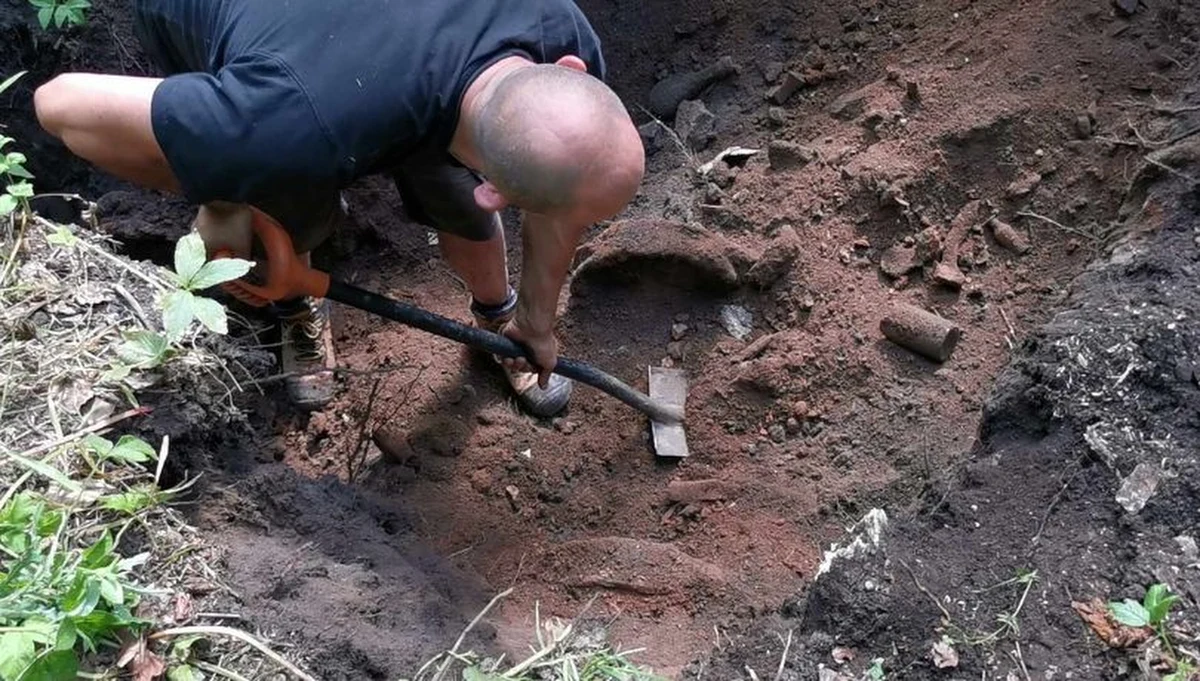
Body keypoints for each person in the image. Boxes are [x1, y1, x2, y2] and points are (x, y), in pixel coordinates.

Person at [32, 0, 645, 417]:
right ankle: (298, 303)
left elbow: (555, 195)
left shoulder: (559, 32)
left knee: (455, 197)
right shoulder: (293, 122)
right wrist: (216, 188)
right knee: (281, 186)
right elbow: (58, 103)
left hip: (357, 57)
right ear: (499, 191)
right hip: (253, 40)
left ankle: (498, 316)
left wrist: (536, 324)